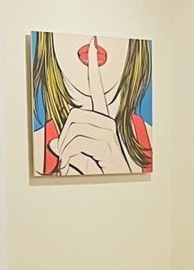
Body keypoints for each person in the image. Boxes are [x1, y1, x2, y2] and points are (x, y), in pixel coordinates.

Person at [30, 31, 153, 176]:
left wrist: (116, 169)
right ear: (49, 42)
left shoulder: (155, 141)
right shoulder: (34, 156)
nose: (93, 38)